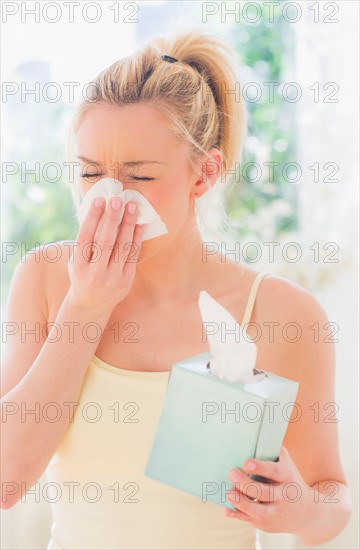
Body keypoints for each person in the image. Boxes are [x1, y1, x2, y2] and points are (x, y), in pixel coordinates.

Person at [1, 27, 352, 550]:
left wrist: (301, 509)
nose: (110, 197)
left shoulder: (281, 313)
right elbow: (7, 480)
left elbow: (333, 501)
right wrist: (86, 306)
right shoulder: (48, 278)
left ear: (204, 174)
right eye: (91, 172)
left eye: (138, 176)